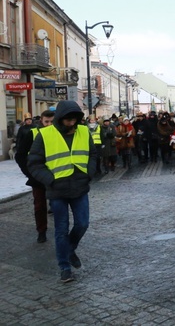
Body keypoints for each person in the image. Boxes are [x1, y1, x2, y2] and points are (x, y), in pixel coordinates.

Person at [27, 100, 99, 283]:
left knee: (82, 224)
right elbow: (34, 163)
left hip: (79, 186)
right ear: (60, 118)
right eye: (68, 119)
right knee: (61, 229)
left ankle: (69, 249)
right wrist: (50, 180)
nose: (72, 122)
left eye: (74, 119)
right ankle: (64, 267)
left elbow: (92, 154)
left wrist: (89, 173)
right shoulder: (44, 135)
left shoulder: (83, 131)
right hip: (57, 189)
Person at [14, 109, 55, 243]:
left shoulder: (59, 133)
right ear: (41, 121)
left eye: (52, 122)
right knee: (39, 206)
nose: (49, 124)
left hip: (56, 176)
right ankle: (41, 231)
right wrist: (29, 173)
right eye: (46, 122)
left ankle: (62, 231)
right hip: (37, 177)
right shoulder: (32, 133)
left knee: (58, 205)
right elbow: (20, 155)